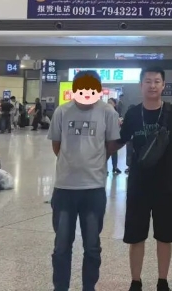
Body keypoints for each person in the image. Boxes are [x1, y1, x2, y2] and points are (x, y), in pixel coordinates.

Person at [119, 67, 172, 291]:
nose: (152, 85)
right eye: (148, 81)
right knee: (136, 236)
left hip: (165, 185)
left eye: (157, 81)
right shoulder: (133, 114)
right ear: (141, 85)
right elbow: (118, 141)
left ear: (163, 85)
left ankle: (163, 280)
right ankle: (136, 281)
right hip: (137, 186)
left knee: (165, 236)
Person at [48, 70, 121, 291]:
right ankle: (60, 287)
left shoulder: (107, 112)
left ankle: (89, 287)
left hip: (93, 189)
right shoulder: (62, 111)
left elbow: (111, 145)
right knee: (61, 246)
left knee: (92, 247)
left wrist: (93, 163)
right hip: (64, 188)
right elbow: (57, 146)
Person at [107, 98, 122, 175]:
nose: (109, 104)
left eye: (111, 103)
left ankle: (115, 167)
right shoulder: (104, 113)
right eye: (108, 102)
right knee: (105, 152)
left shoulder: (116, 113)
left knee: (114, 152)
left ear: (114, 104)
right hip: (106, 135)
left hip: (114, 135)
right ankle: (104, 168)